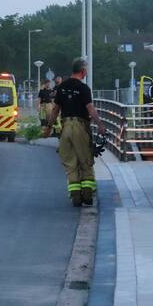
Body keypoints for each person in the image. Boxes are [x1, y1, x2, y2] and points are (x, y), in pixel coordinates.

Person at [42, 58, 103, 207]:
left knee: (70, 162)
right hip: (80, 126)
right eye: (86, 70)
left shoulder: (62, 87)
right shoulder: (84, 88)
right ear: (83, 71)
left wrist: (49, 127)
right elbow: (90, 108)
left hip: (66, 127)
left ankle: (75, 196)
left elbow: (55, 109)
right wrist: (100, 125)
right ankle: (87, 195)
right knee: (85, 160)